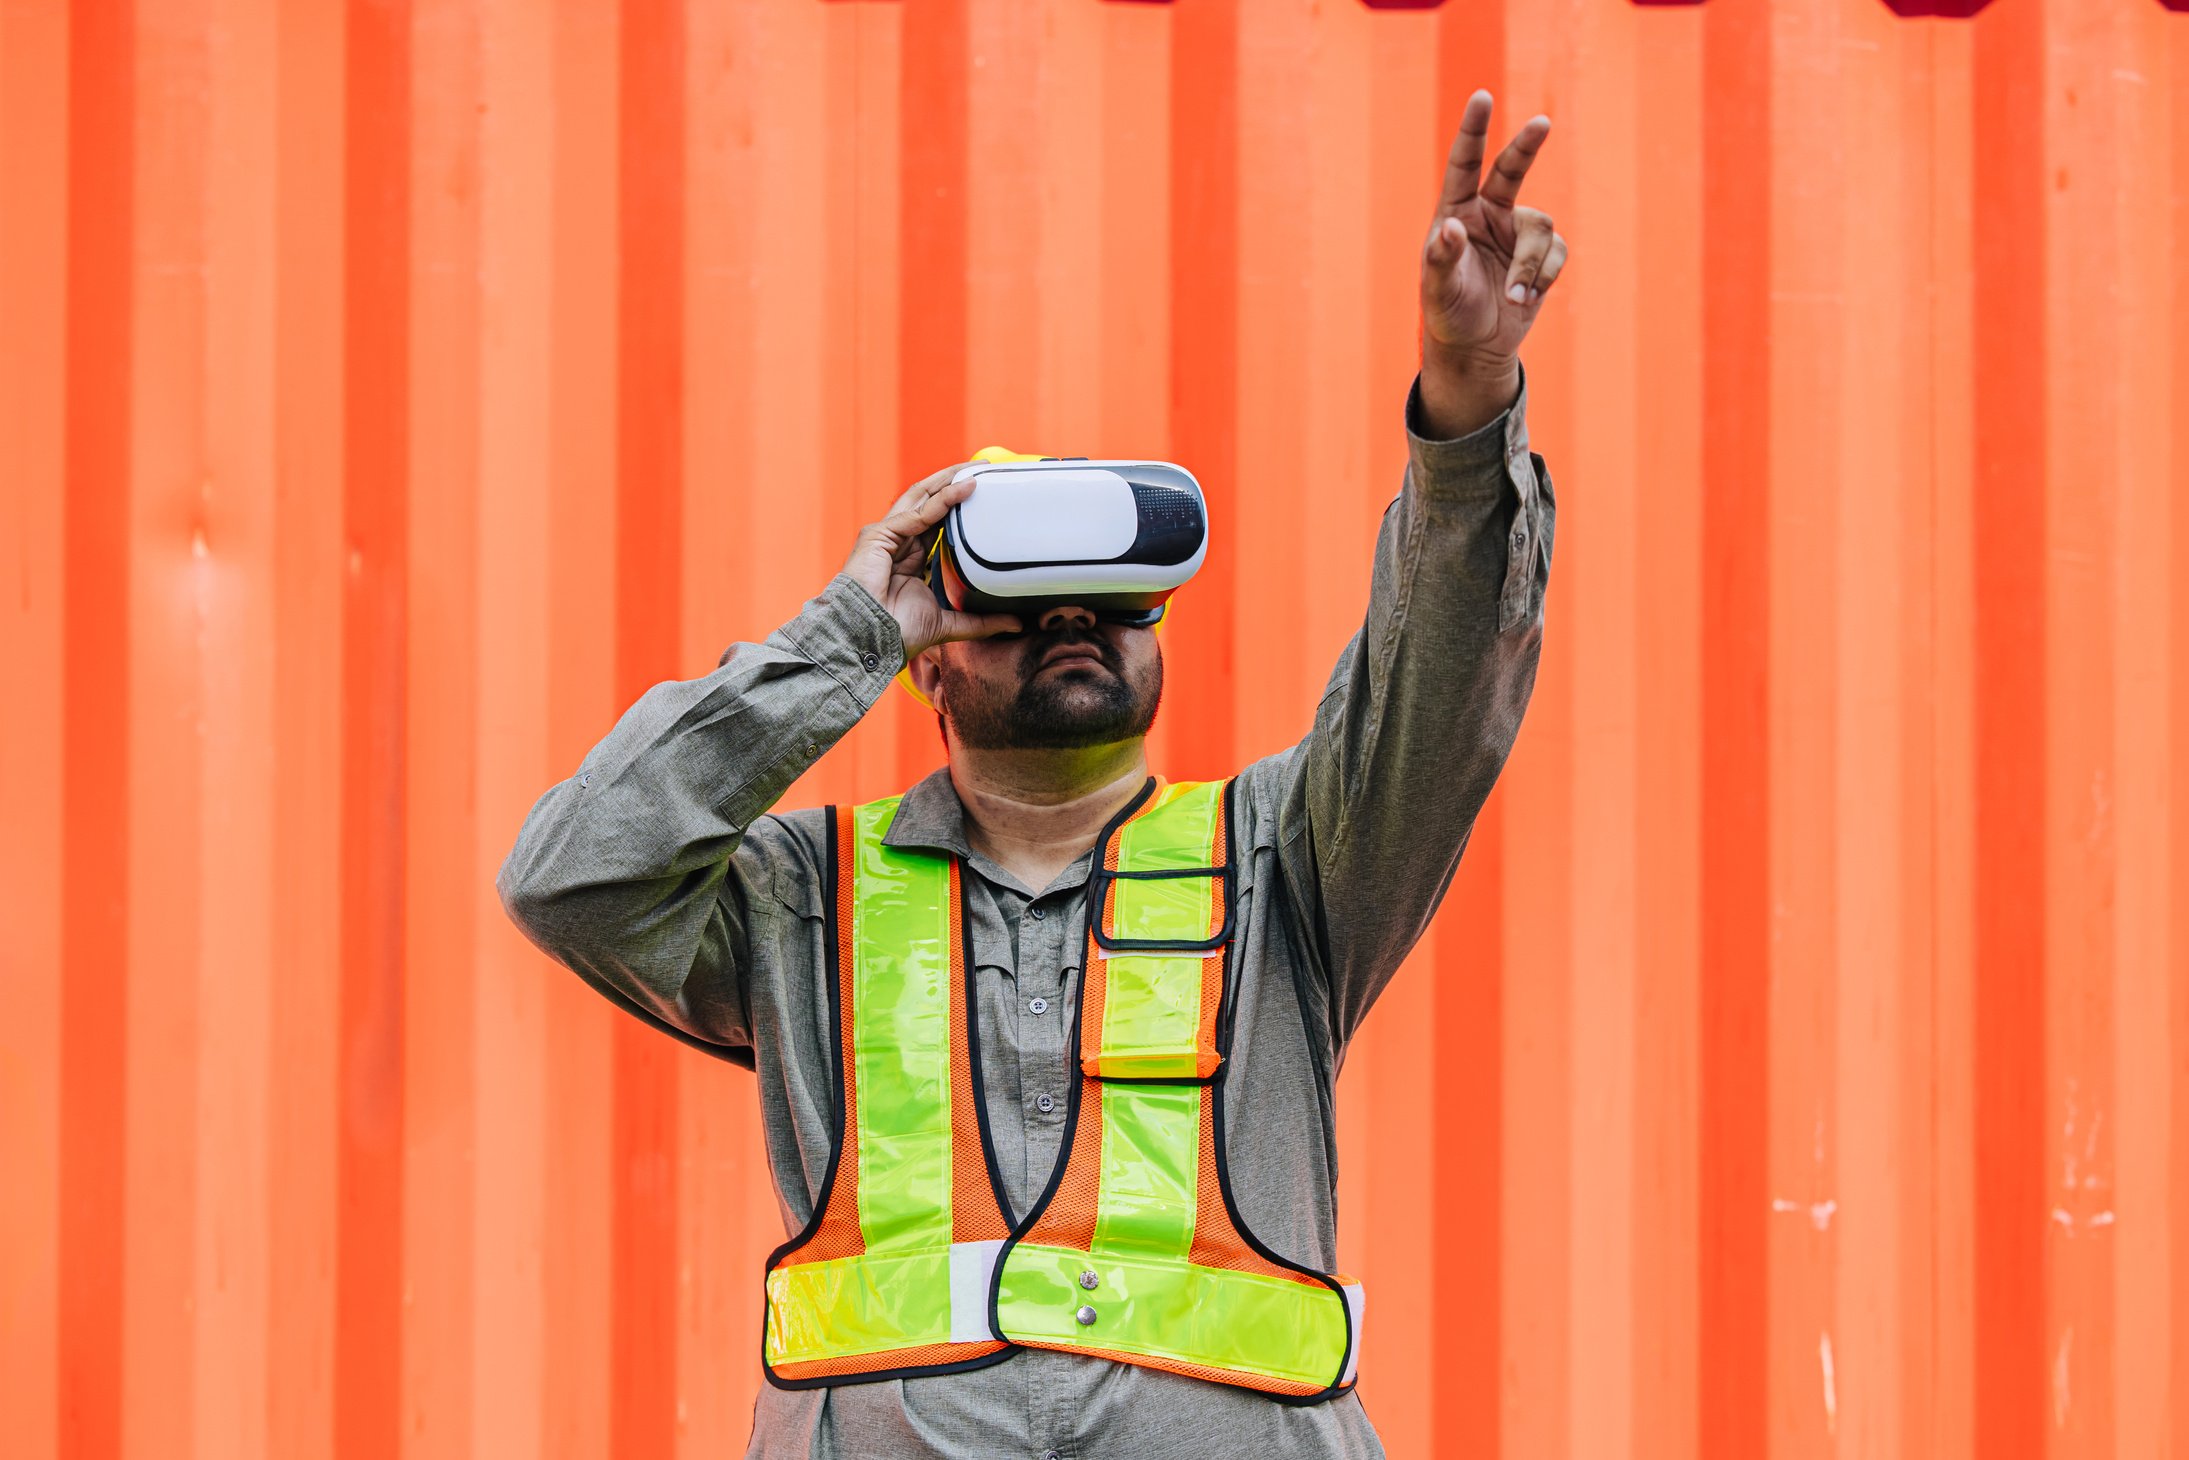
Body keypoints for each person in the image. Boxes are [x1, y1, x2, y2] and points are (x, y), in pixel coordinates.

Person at [498, 89, 1564, 1460]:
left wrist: (1467, 403)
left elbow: (1446, 674)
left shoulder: (1290, 859)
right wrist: (848, 630)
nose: (1077, 617)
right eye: (1024, 597)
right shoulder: (797, 898)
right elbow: (571, 879)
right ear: (928, 661)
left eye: (1116, 597)